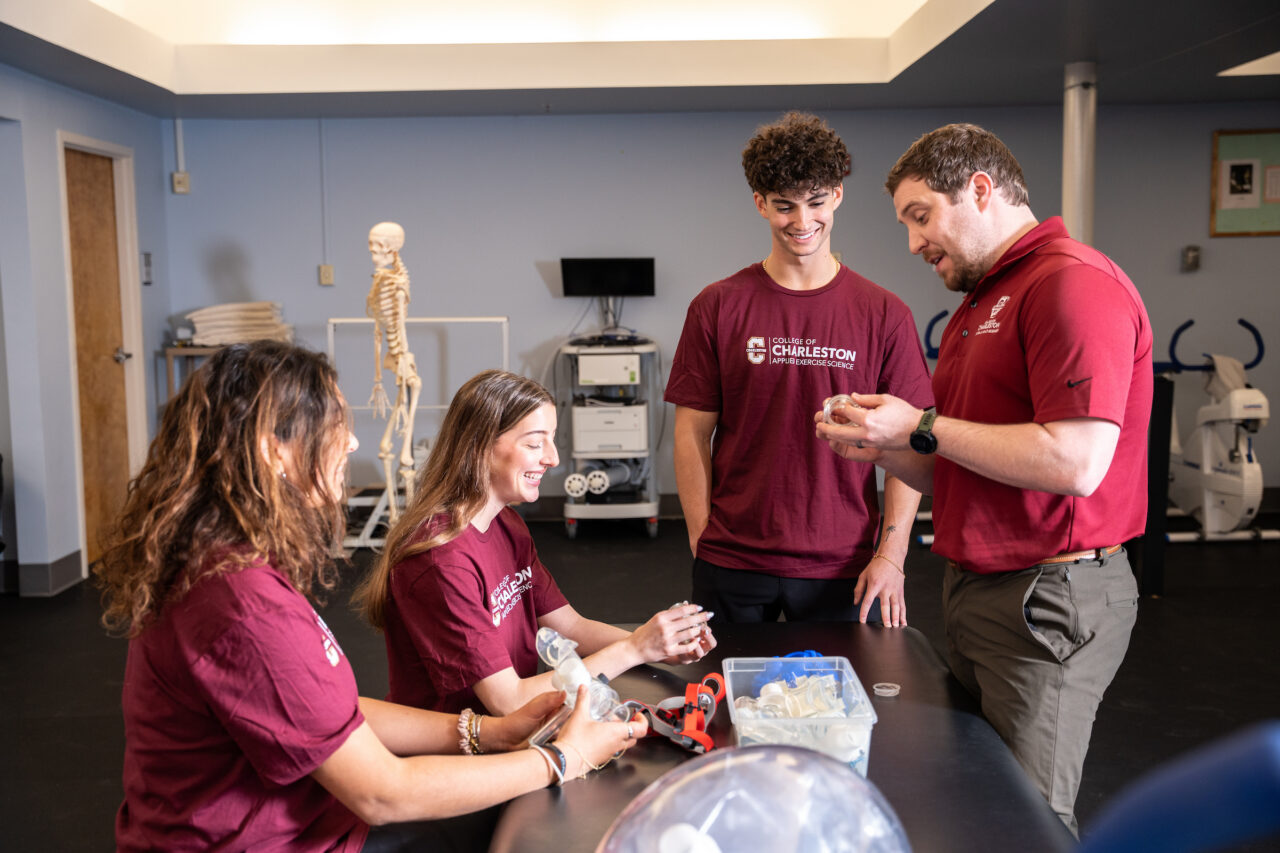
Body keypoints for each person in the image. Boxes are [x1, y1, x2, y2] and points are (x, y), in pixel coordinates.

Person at [95, 342, 642, 852]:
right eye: (335, 425)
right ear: (272, 449)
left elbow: (334, 711)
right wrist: (562, 758)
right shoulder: (243, 606)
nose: (353, 442)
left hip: (319, 819)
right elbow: (383, 795)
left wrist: (489, 732)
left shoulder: (230, 565)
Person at [815, 123, 1151, 834]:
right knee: (975, 798)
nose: (914, 242)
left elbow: (1075, 463)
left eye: (921, 216)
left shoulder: (1071, 283)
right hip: (978, 587)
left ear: (979, 189)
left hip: (1048, 595)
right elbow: (965, 466)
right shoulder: (982, 300)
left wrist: (918, 424)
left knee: (1026, 821)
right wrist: (881, 446)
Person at [665, 111, 934, 628]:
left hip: (845, 561)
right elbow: (691, 432)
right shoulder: (716, 306)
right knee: (726, 682)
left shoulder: (884, 313)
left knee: (845, 686)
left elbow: (911, 443)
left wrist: (892, 554)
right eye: (784, 205)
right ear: (760, 203)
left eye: (815, 202)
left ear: (837, 195)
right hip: (733, 558)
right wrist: (701, 537)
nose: (802, 220)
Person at [355, 369, 715, 717]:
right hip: (459, 745)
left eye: (551, 439)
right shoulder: (440, 561)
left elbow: (570, 627)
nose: (552, 458)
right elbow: (508, 701)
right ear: (479, 446)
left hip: (514, 727)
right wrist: (635, 648)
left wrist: (657, 646)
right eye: (534, 443)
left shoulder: (508, 524)